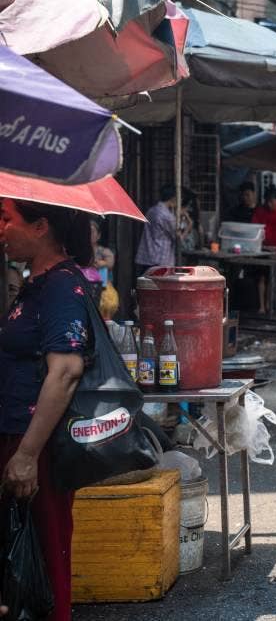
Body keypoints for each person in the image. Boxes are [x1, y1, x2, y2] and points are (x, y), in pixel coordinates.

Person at [0, 199, 96, 620]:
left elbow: (66, 371)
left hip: (36, 443)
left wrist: (26, 457)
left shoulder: (61, 285)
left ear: (40, 227)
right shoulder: (34, 282)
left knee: (43, 560)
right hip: (16, 434)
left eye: (7, 219)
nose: (1, 228)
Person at [135, 184, 189, 275]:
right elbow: (178, 237)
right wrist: (189, 225)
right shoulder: (167, 216)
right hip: (160, 258)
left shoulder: (152, 210)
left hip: (147, 255)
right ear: (173, 198)